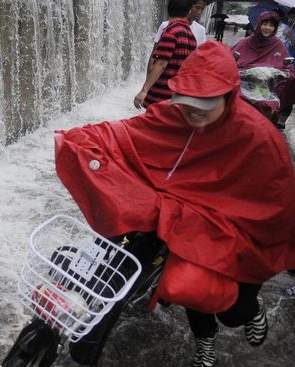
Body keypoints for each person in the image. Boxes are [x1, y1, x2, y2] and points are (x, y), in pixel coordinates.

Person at [55, 41, 295, 366]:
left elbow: (276, 205)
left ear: (229, 94)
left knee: (234, 312)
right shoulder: (171, 115)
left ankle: (252, 310)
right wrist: (83, 139)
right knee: (194, 291)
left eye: (204, 104)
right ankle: (204, 344)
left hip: (230, 231)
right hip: (183, 219)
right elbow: (125, 134)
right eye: (187, 102)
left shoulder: (259, 139)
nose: (193, 111)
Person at [232, 10, 294, 127]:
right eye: (265, 24)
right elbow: (229, 62)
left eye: (271, 25)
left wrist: (281, 73)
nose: (267, 28)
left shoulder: (278, 44)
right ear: (259, 24)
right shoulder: (245, 43)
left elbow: (288, 69)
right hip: (244, 92)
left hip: (269, 93)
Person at [134, 0, 197, 109]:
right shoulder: (191, 35)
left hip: (162, 96)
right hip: (178, 96)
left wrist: (144, 90)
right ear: (188, 12)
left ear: (169, 10)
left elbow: (161, 63)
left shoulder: (171, 32)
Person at [147, 0, 208, 76]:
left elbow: (200, 59)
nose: (199, 12)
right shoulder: (165, 26)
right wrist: (148, 77)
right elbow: (154, 54)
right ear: (188, 8)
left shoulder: (201, 30)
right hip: (163, 75)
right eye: (197, 8)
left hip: (184, 77)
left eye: (202, 9)